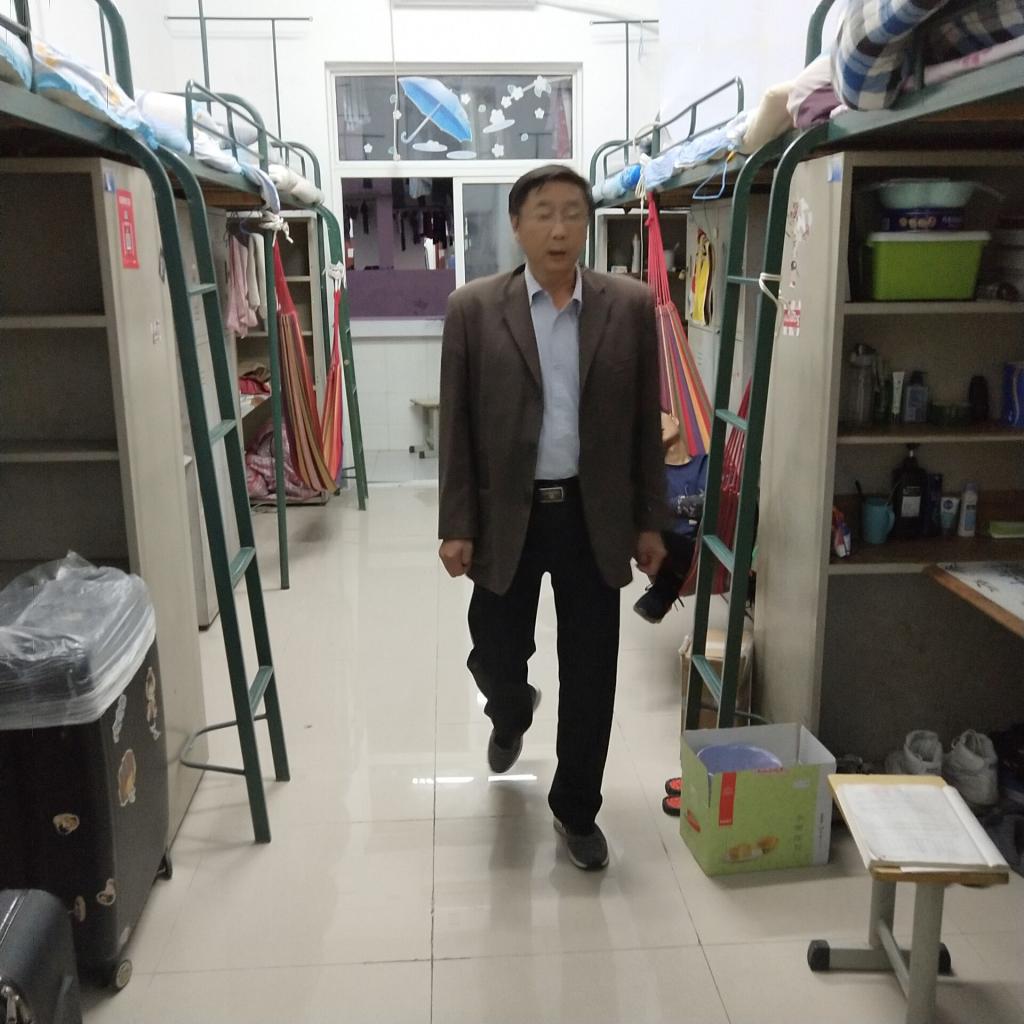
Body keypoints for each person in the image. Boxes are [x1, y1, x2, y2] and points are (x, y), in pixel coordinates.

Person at [437, 164, 666, 871]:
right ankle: (511, 711)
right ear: (517, 225)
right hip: (507, 516)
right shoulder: (474, 309)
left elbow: (644, 422)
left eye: (572, 213)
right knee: (495, 649)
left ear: (587, 223)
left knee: (593, 670)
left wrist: (650, 521)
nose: (559, 228)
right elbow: (456, 425)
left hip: (593, 518)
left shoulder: (629, 306)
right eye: (543, 213)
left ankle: (576, 809)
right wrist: (456, 523)